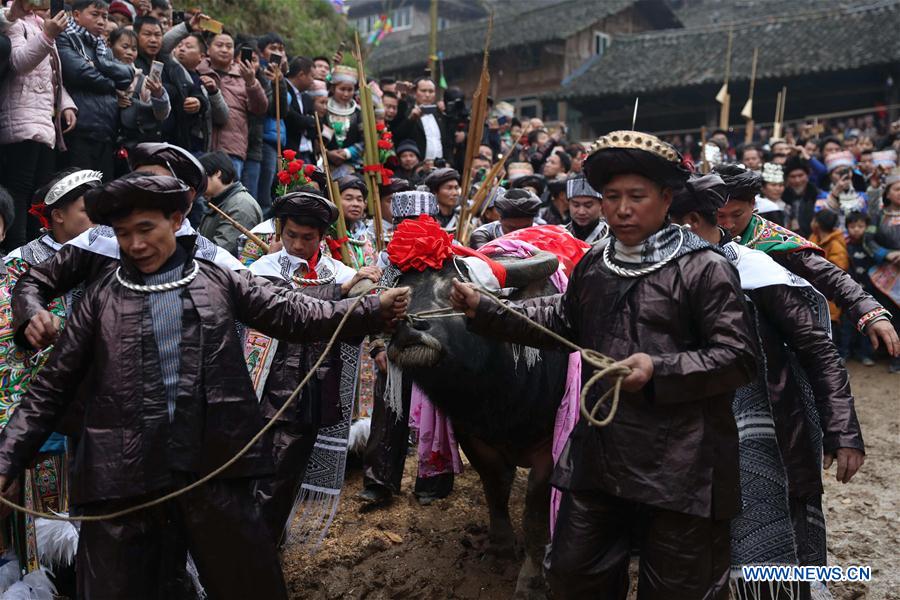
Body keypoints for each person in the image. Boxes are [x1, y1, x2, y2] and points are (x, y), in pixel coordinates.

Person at [0, 172, 409, 599]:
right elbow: (50, 387)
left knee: (246, 584)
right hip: (123, 480)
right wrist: (8, 459)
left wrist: (369, 308)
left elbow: (293, 313)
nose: (135, 244)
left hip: (212, 470)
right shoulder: (101, 298)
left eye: (146, 229)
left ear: (176, 221)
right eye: (123, 233)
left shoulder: (218, 279)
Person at [452, 130, 756, 598]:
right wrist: (487, 311)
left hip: (683, 461)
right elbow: (563, 319)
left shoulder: (705, 268)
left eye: (637, 196)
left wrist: (659, 369)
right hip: (601, 451)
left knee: (678, 587)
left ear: (667, 197)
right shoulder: (596, 263)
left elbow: (737, 356)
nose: (622, 208)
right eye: (611, 196)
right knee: (575, 574)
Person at [669, 174, 865, 600]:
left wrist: (842, 430)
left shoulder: (756, 265)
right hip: (687, 429)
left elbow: (817, 345)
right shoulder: (657, 269)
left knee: (771, 532)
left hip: (763, 421)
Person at [9, 142, 251, 353]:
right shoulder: (98, 240)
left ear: (185, 197)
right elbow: (35, 281)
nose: (138, 188)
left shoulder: (213, 260)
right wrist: (33, 315)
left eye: (152, 181)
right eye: (136, 179)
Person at [247, 190, 381, 544]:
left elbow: (363, 319)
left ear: (323, 238)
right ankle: (258, 548)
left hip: (314, 389)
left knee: (286, 473)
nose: (297, 244)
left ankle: (270, 540)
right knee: (261, 473)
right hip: (263, 387)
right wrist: (342, 290)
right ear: (279, 231)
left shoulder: (340, 271)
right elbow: (286, 306)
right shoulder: (261, 270)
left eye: (308, 238)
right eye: (290, 235)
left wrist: (369, 298)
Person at [0, 170, 98, 590]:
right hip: (36, 398)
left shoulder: (106, 255)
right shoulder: (20, 264)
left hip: (95, 401)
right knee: (37, 516)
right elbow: (10, 342)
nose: (97, 221)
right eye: (86, 211)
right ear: (57, 216)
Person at [715, 163, 899, 358]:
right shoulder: (695, 235)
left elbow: (828, 275)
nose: (728, 224)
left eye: (737, 214)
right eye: (719, 215)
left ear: (753, 204)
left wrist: (869, 311)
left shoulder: (776, 241)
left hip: (768, 347)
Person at [0, 0, 75, 251]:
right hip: (21, 117)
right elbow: (19, 63)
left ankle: (37, 249)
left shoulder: (42, 24)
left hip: (44, 121)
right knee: (20, 190)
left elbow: (51, 75)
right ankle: (18, 250)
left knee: (41, 191)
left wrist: (65, 103)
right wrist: (48, 35)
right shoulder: (14, 22)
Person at [57, 0, 133, 179]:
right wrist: (111, 83)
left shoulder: (102, 48)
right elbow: (79, 73)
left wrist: (98, 64)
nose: (101, 21)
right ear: (76, 15)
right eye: (95, 14)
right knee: (78, 188)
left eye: (105, 16)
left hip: (107, 130)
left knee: (100, 194)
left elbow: (127, 75)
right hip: (80, 127)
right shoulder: (64, 37)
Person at [198, 31, 268, 178]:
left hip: (232, 149)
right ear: (208, 49)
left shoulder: (244, 76)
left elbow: (260, 108)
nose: (224, 49)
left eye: (229, 46)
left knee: (228, 197)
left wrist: (251, 82)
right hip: (200, 146)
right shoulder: (198, 71)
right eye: (219, 45)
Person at [863, 170, 900, 372]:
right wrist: (887, 254)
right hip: (885, 275)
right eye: (897, 189)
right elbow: (868, 241)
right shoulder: (879, 216)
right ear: (887, 193)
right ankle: (888, 354)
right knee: (888, 315)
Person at [109, 27, 171, 148]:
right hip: (104, 136)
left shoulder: (142, 80)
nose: (130, 52)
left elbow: (162, 114)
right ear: (109, 45)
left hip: (131, 143)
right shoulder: (100, 72)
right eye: (125, 47)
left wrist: (158, 93)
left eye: (134, 49)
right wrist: (114, 100)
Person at [173, 32, 229, 154]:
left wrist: (214, 92)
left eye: (189, 46)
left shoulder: (204, 83)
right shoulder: (168, 74)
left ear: (201, 57)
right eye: (179, 45)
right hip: (172, 143)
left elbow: (222, 117)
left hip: (197, 148)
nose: (182, 49)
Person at [197, 151, 263, 255]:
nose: (199, 183)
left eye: (202, 177)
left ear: (217, 173)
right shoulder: (220, 201)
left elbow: (219, 253)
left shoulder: (240, 206)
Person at [394, 77, 454, 165]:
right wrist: (411, 119)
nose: (427, 95)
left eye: (431, 91)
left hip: (441, 167)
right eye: (423, 91)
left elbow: (447, 141)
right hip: (416, 168)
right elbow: (398, 135)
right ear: (415, 92)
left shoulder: (440, 114)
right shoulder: (406, 112)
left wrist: (449, 162)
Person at [843, 211, 876, 365]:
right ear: (847, 227)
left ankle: (865, 354)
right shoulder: (845, 245)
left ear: (866, 227)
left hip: (869, 291)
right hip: (848, 292)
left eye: (861, 226)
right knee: (847, 324)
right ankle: (844, 352)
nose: (856, 229)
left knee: (867, 322)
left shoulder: (871, 246)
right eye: (852, 226)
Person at [810, 208, 850, 331]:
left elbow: (837, 271)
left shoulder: (835, 245)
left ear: (817, 223)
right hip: (814, 298)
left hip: (829, 300)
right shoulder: (813, 238)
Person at [324, 64, 363, 179]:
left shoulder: (358, 113)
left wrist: (347, 153)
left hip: (352, 167)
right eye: (342, 89)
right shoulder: (323, 109)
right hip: (325, 165)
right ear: (332, 88)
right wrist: (327, 153)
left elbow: (365, 140)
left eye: (350, 90)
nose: (346, 94)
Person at [468, 189, 541, 249]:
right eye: (512, 228)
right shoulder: (483, 235)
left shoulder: (542, 234)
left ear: (532, 221)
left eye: (525, 228)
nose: (518, 234)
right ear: (500, 218)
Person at [816, 151, 867, 230]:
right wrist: (834, 195)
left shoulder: (861, 196)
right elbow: (821, 221)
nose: (844, 175)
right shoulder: (822, 196)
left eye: (847, 171)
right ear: (830, 176)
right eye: (838, 173)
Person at [782, 155, 821, 235]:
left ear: (807, 176)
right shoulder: (782, 197)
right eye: (793, 177)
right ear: (787, 179)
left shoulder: (818, 196)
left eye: (800, 175)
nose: (797, 180)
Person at [564, 174, 607, 244]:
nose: (581, 212)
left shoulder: (612, 237)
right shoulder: (559, 235)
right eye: (576, 205)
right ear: (568, 204)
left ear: (601, 204)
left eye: (588, 205)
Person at [424, 167, 462, 231]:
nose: (455, 193)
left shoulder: (461, 219)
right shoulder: (427, 220)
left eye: (456, 188)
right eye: (449, 188)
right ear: (435, 191)